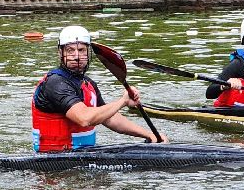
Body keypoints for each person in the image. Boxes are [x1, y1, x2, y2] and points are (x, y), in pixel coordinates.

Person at [32, 25, 165, 151]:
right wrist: (122, 101)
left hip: (84, 157)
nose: (77, 56)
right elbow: (84, 118)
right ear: (60, 53)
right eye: (70, 50)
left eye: (81, 50)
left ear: (88, 54)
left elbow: (110, 118)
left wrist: (149, 135)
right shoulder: (54, 83)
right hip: (52, 164)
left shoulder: (89, 84)